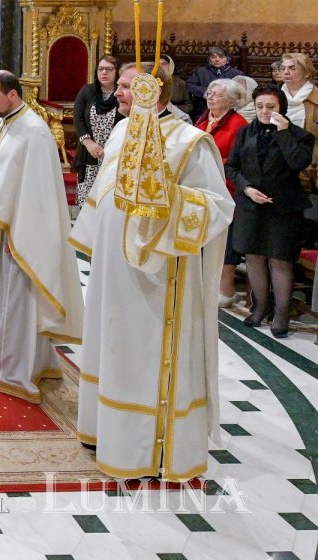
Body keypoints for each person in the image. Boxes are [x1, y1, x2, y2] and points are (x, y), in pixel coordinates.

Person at [71, 62, 234, 481]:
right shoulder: (124, 131)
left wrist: (165, 197)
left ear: (153, 93)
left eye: (126, 86)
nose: (118, 92)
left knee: (142, 356)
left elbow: (218, 207)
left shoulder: (189, 143)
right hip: (113, 272)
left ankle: (147, 449)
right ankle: (104, 431)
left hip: (158, 278)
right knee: (112, 347)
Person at [0, 71, 83, 402]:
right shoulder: (3, 122)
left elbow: (38, 194)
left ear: (12, 95)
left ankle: (16, 366)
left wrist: (20, 231)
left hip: (19, 232)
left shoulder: (34, 132)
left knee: (18, 301)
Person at [226, 84, 315, 338]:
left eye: (271, 107)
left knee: (280, 261)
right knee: (253, 258)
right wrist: (246, 189)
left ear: (282, 108)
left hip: (283, 208)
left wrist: (284, 132)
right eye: (260, 107)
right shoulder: (245, 132)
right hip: (251, 206)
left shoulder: (300, 136)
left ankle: (281, 313)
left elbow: (299, 162)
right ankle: (260, 307)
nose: (265, 111)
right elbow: (232, 167)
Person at [196, 78, 248, 308]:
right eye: (209, 92)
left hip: (226, 188)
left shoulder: (238, 124)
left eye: (216, 94)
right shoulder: (204, 119)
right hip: (201, 186)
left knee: (224, 239)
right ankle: (203, 283)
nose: (210, 96)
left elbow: (237, 161)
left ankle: (226, 286)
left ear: (232, 100)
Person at [71, 56, 121, 202]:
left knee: (108, 200)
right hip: (89, 154)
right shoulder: (87, 91)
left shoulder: (122, 94)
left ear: (117, 72)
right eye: (101, 69)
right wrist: (89, 143)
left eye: (109, 69)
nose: (104, 72)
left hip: (113, 155)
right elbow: (78, 118)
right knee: (87, 201)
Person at [279, 52, 318, 189]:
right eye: (283, 68)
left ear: (306, 73)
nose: (286, 72)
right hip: (278, 162)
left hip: (310, 165)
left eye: (292, 68)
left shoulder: (316, 99)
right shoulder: (273, 97)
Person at [185, 46, 241, 119]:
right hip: (204, 108)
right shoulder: (201, 72)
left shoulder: (237, 74)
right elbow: (189, 85)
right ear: (209, 59)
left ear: (227, 59)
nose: (217, 59)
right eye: (213, 57)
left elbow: (240, 92)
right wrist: (206, 92)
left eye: (221, 57)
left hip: (228, 110)